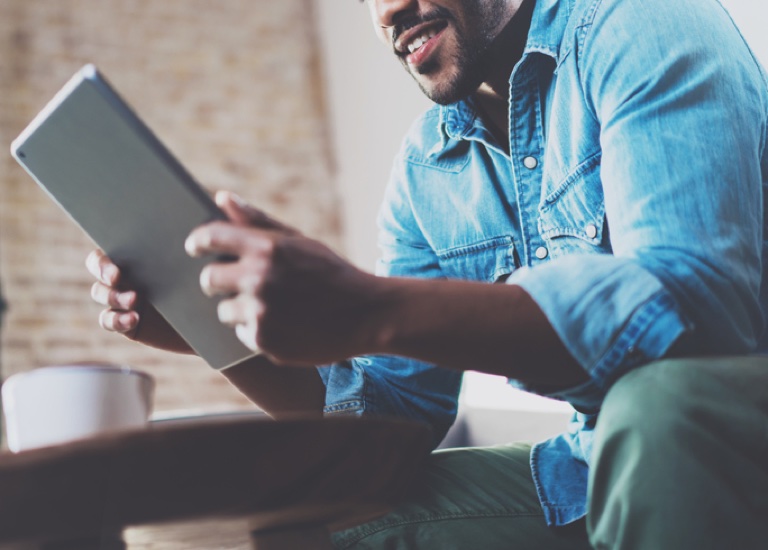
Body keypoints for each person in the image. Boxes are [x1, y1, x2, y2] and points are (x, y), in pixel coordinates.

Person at [87, 0, 768, 547]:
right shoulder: (427, 168)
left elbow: (690, 314)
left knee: (657, 409)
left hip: (728, 432)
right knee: (318, 519)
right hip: (595, 462)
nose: (387, 10)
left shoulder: (642, 24)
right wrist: (209, 320)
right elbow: (389, 420)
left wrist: (371, 307)